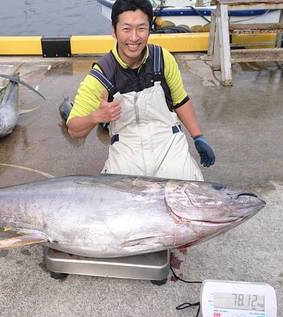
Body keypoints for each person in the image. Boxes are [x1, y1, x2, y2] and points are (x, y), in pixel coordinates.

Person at [66, 0, 215, 182]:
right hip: (127, 147)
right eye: (126, 29)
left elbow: (180, 100)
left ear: (150, 29)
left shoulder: (163, 59)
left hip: (168, 142)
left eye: (141, 28)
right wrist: (96, 117)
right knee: (117, 204)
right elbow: (74, 130)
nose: (134, 38)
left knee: (193, 191)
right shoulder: (100, 76)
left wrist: (198, 136)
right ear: (114, 31)